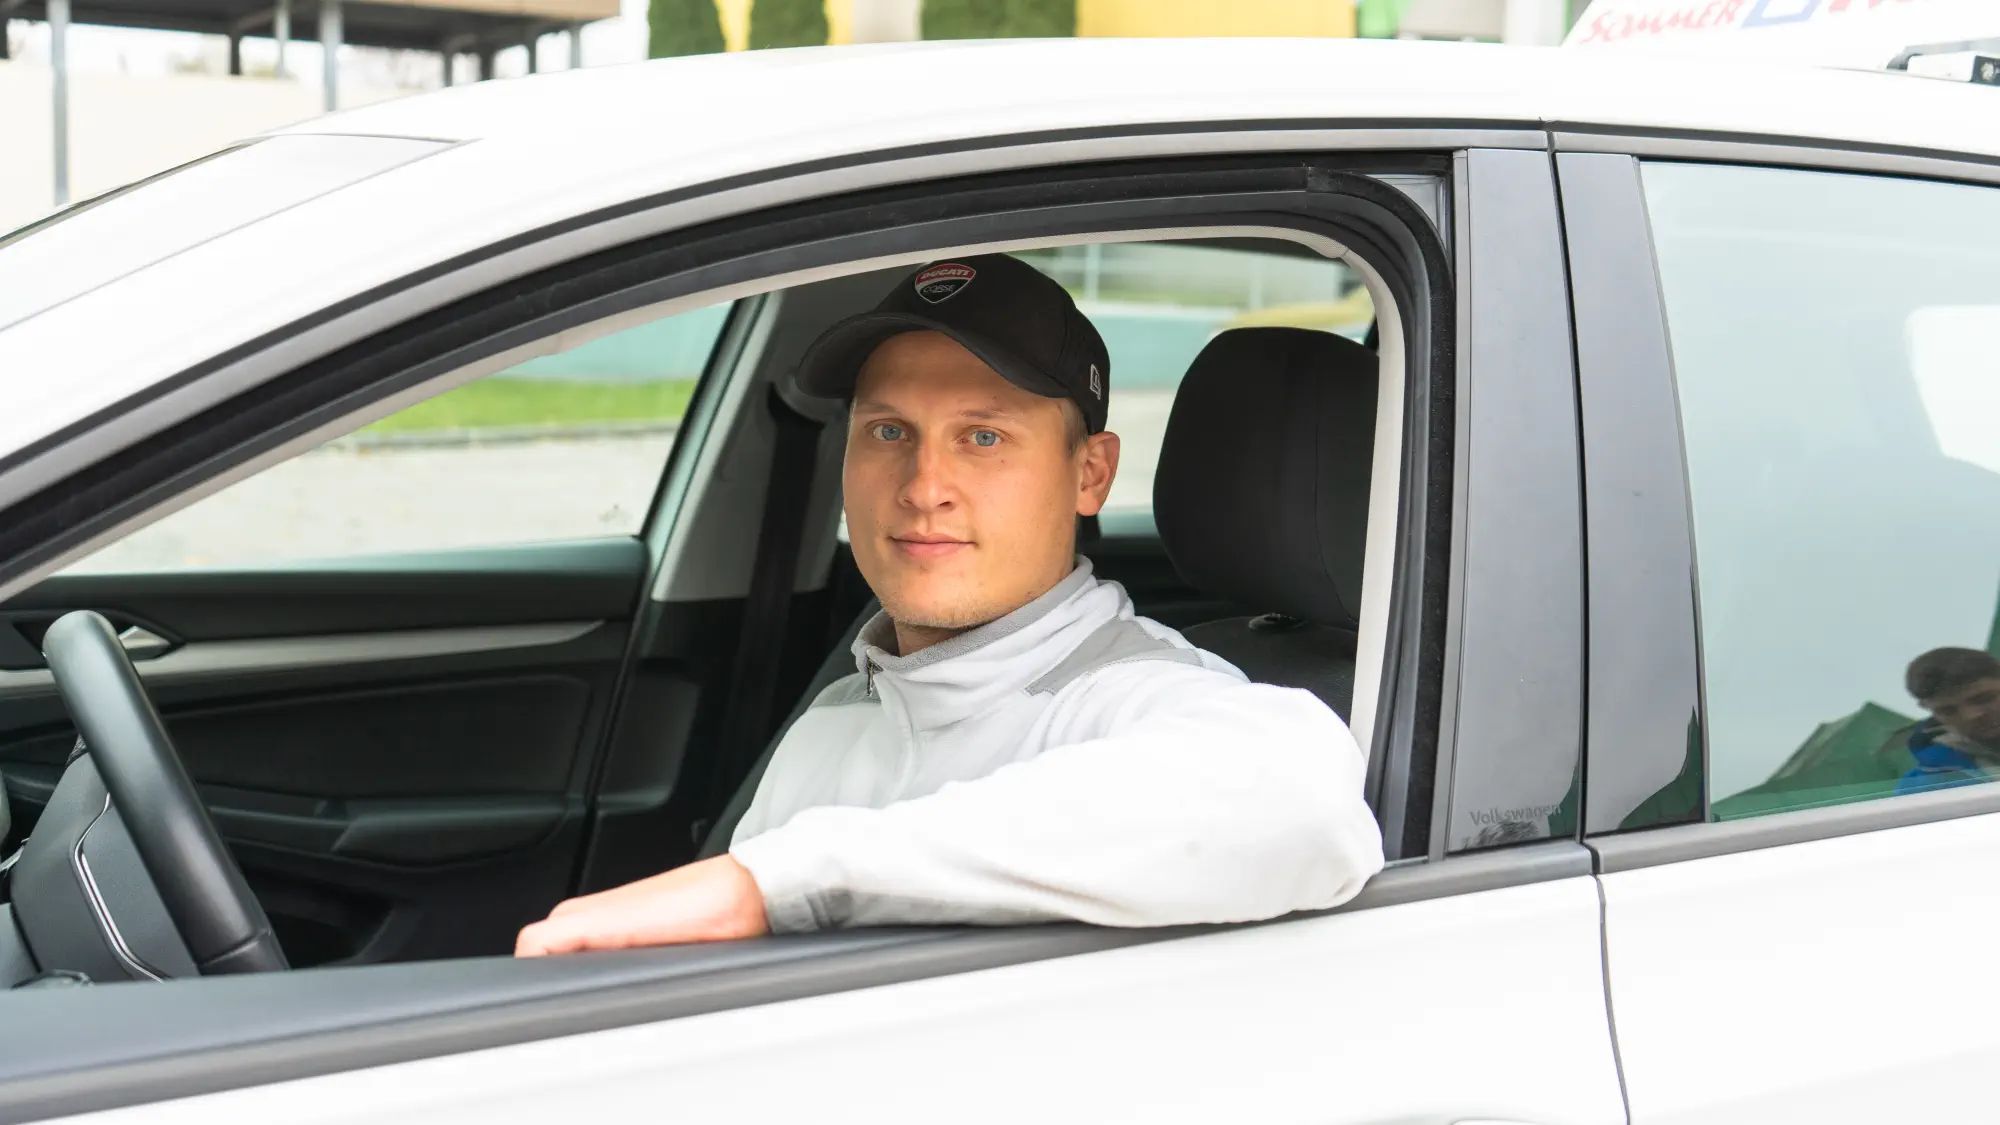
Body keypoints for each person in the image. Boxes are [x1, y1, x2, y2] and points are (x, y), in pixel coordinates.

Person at [515, 254, 1384, 956]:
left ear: (1091, 473)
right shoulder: (839, 714)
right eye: (889, 432)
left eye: (984, 437)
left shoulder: (1144, 699)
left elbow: (1302, 801)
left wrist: (776, 884)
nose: (925, 486)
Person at [1896, 646, 2000, 796]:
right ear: (1926, 708)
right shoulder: (1925, 789)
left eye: (1984, 699)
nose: (1971, 715)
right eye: (1948, 711)